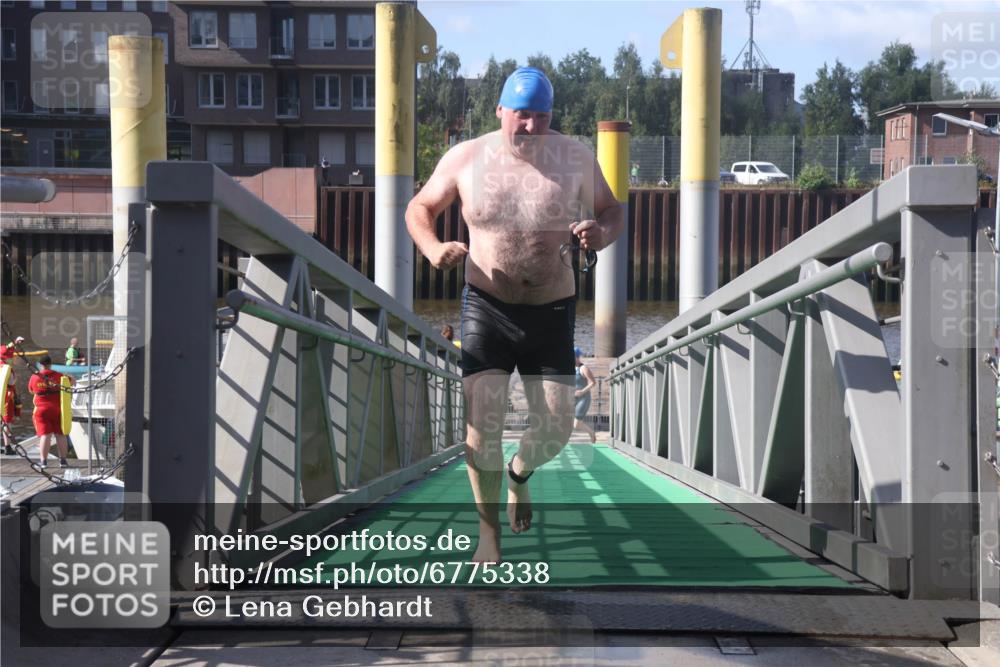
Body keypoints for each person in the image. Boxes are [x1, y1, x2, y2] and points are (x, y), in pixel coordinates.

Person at [405, 67, 624, 562]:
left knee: (557, 428)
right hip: (487, 306)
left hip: (552, 308)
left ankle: (519, 474)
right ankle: (489, 534)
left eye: (541, 117)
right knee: (481, 428)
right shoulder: (466, 158)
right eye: (522, 115)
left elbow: (613, 211)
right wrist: (432, 247)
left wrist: (602, 234)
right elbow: (419, 208)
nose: (531, 126)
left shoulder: (574, 157)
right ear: (500, 110)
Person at [27, 355, 72, 468]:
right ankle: (63, 461)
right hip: (58, 409)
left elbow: (31, 390)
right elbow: (72, 383)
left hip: (41, 410)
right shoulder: (59, 375)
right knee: (61, 435)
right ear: (50, 364)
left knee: (45, 435)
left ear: (40, 365)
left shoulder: (34, 377)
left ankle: (43, 462)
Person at [1, 341, 23, 455]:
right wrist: (16, 378)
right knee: (6, 421)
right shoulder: (6, 367)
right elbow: (11, 382)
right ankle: (7, 446)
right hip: (5, 396)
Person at [572, 347, 597, 444]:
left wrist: (582, 391)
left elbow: (593, 382)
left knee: (577, 425)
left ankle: (591, 433)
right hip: (573, 398)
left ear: (577, 357)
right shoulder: (570, 369)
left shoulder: (583, 368)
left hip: (583, 399)